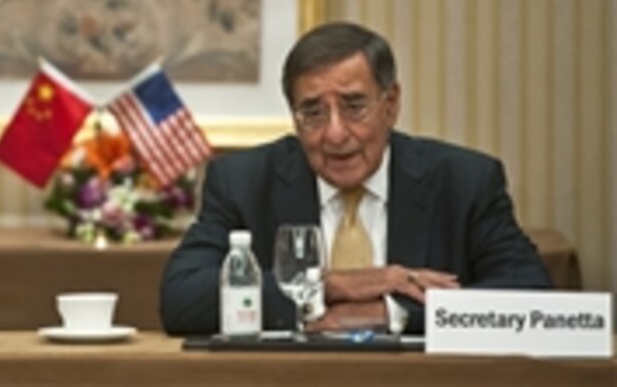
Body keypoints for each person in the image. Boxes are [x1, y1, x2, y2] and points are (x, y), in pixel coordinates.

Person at [160, 21, 551, 335]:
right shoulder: (243, 182)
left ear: (391, 104)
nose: (334, 133)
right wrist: (334, 285)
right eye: (312, 112)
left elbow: (530, 294)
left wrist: (390, 314)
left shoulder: (463, 181)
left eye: (354, 107)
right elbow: (182, 298)